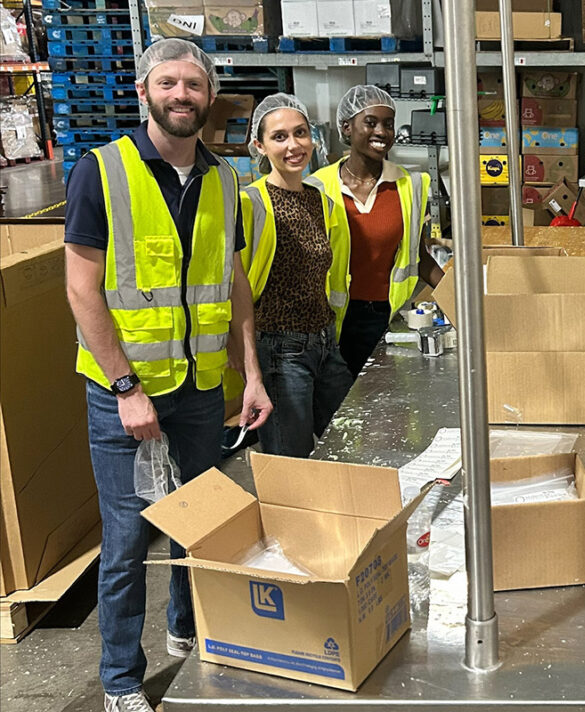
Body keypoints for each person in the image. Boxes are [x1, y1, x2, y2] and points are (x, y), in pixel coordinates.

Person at [63, 38, 273, 712]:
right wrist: (125, 388)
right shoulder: (102, 171)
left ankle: (188, 629)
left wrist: (252, 373)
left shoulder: (224, 178)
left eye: (194, 84)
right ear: (145, 88)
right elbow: (81, 288)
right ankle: (122, 680)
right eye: (169, 83)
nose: (182, 95)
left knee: (201, 523)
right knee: (127, 542)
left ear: (210, 96)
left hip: (202, 390)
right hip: (125, 395)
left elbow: (233, 279)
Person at [237, 93, 354, 457]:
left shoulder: (324, 203)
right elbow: (234, 285)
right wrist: (245, 359)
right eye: (280, 136)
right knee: (292, 458)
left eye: (300, 133)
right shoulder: (249, 203)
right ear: (260, 145)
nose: (293, 145)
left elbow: (334, 279)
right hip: (279, 352)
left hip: (324, 344)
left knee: (352, 442)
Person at [307, 85, 444, 378]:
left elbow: (420, 258)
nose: (381, 132)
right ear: (347, 127)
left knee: (386, 406)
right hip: (333, 324)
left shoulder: (411, 186)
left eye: (388, 124)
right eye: (370, 122)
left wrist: (458, 301)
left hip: (390, 318)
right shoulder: (317, 188)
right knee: (339, 413)